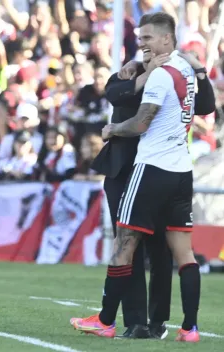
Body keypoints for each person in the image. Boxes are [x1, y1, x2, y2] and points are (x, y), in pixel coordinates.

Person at [70, 12, 201, 343]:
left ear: (167, 39)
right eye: (139, 39)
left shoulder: (161, 75)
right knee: (183, 252)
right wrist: (139, 72)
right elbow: (120, 93)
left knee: (124, 244)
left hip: (150, 169)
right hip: (181, 171)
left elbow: (141, 122)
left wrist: (113, 129)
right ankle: (189, 329)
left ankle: (106, 320)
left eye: (147, 38)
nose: (140, 43)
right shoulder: (184, 70)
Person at [91, 47, 215, 338]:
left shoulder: (174, 80)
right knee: (128, 245)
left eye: (154, 52)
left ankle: (157, 321)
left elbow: (205, 106)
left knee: (160, 251)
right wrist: (142, 70)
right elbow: (114, 95)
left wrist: (198, 71)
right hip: (124, 173)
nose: (150, 57)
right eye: (144, 53)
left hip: (157, 171)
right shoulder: (127, 77)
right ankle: (135, 321)